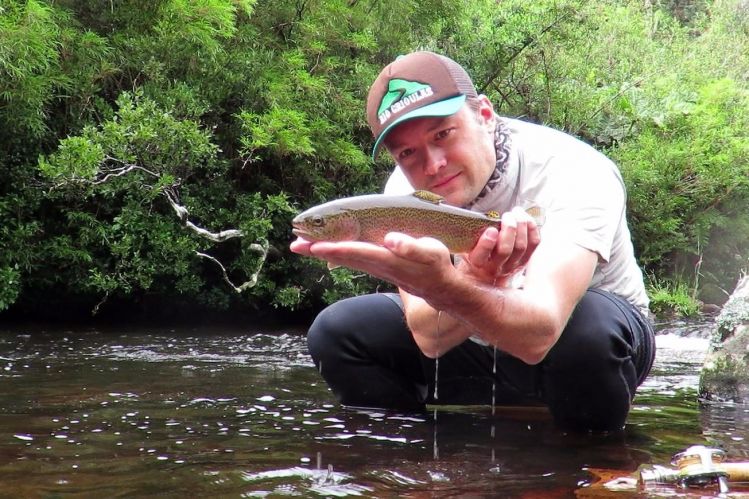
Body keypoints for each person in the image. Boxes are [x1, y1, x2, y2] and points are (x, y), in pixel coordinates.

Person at [290, 51, 655, 432]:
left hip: (587, 349)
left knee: (587, 334)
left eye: (443, 134)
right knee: (337, 331)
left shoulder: (574, 170)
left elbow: (541, 333)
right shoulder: (404, 193)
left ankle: (589, 468)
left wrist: (450, 283)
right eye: (407, 153)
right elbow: (430, 339)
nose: (432, 166)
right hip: (481, 346)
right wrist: (471, 278)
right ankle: (423, 468)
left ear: (485, 115)